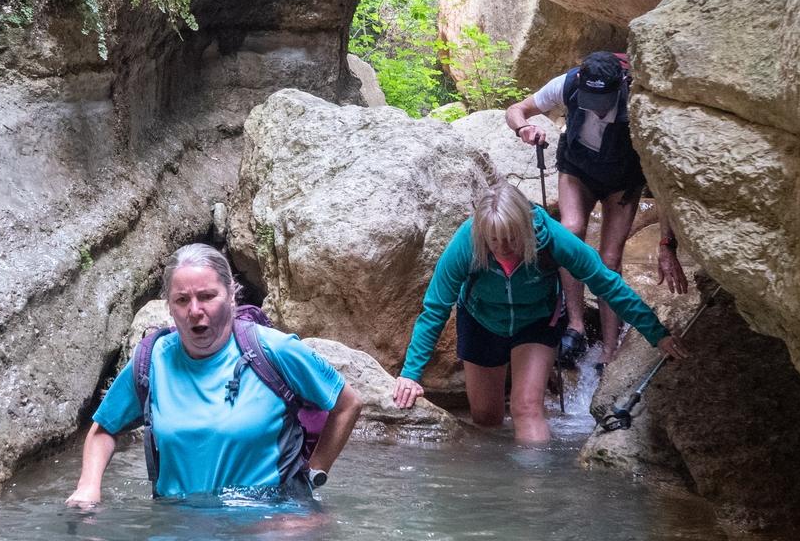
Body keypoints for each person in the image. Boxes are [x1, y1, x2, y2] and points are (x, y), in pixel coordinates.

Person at [391, 180, 685, 443]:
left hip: (537, 321)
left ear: (526, 227)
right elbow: (435, 309)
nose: (503, 248)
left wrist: (656, 334)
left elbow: (606, 283)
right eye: (494, 240)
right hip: (481, 321)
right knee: (485, 417)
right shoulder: (466, 242)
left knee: (527, 407)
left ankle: (534, 485)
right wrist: (410, 375)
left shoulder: (552, 238)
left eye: (511, 238)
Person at [67, 244, 363, 505]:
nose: (195, 310)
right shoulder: (152, 360)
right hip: (178, 528)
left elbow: (347, 403)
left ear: (231, 295)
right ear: (169, 306)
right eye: (182, 300)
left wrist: (312, 477)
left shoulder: (273, 350)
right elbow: (103, 429)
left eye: (207, 296)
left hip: (268, 525)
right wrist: (88, 487)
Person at [504, 50, 681, 367]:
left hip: (622, 180)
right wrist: (523, 128)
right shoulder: (568, 84)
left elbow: (663, 179)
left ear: (620, 86)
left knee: (609, 260)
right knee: (570, 233)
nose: (596, 109)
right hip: (578, 170)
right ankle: (576, 326)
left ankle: (610, 350)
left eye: (603, 102)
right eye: (590, 100)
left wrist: (667, 244)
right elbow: (517, 109)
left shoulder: (637, 102)